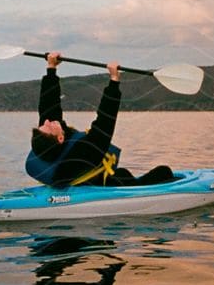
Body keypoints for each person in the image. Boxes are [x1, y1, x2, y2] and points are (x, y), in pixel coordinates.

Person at [25, 51, 176, 187]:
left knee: (123, 173)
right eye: (49, 125)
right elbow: (105, 121)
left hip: (97, 178)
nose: (46, 121)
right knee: (164, 172)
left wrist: (51, 68)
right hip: (102, 186)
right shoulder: (83, 153)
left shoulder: (48, 143)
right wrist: (114, 80)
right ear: (59, 138)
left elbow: (48, 104)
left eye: (44, 124)